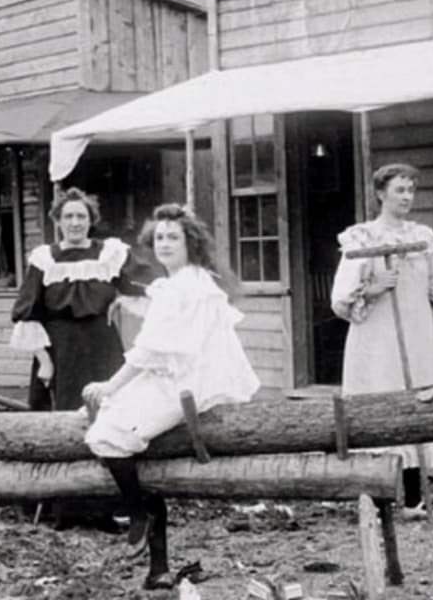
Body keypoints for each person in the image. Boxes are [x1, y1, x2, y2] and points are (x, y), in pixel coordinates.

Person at [83, 203, 260, 590]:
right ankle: (158, 568)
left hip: (186, 386)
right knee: (138, 458)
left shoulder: (188, 286)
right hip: (176, 378)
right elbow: (159, 341)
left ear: (190, 243)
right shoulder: (183, 282)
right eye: (159, 237)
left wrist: (110, 385)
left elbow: (151, 350)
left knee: (106, 435)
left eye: (173, 238)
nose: (164, 244)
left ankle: (137, 514)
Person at [9, 187, 159, 531]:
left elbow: (150, 285)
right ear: (57, 222)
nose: (75, 223)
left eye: (81, 216)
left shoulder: (111, 253)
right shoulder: (44, 258)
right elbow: (26, 313)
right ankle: (63, 508)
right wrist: (45, 362)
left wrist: (123, 301)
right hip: (59, 350)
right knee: (61, 422)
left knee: (109, 416)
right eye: (68, 217)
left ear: (91, 221)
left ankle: (106, 508)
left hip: (102, 347)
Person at [330, 163, 433, 517]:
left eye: (411, 190)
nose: (406, 197)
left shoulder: (422, 238)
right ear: (381, 194)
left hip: (414, 332)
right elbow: (340, 299)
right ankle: (377, 498)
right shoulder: (362, 239)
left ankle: (415, 499)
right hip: (376, 337)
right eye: (399, 190)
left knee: (416, 403)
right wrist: (374, 287)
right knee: (381, 404)